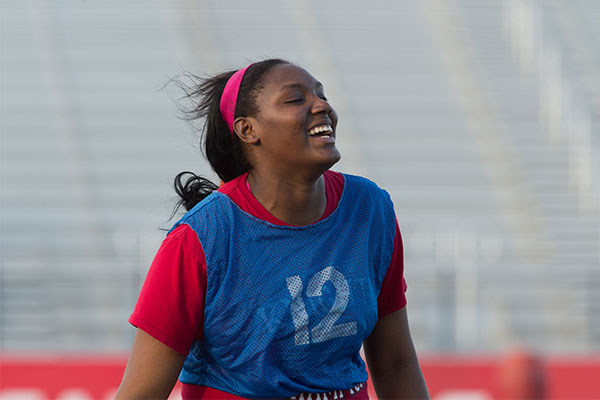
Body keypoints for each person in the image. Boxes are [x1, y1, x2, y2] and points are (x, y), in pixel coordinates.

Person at [115, 58, 429, 399]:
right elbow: (141, 394)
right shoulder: (199, 238)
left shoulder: (370, 208)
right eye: (296, 99)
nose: (322, 106)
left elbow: (394, 363)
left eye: (321, 95)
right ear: (248, 130)